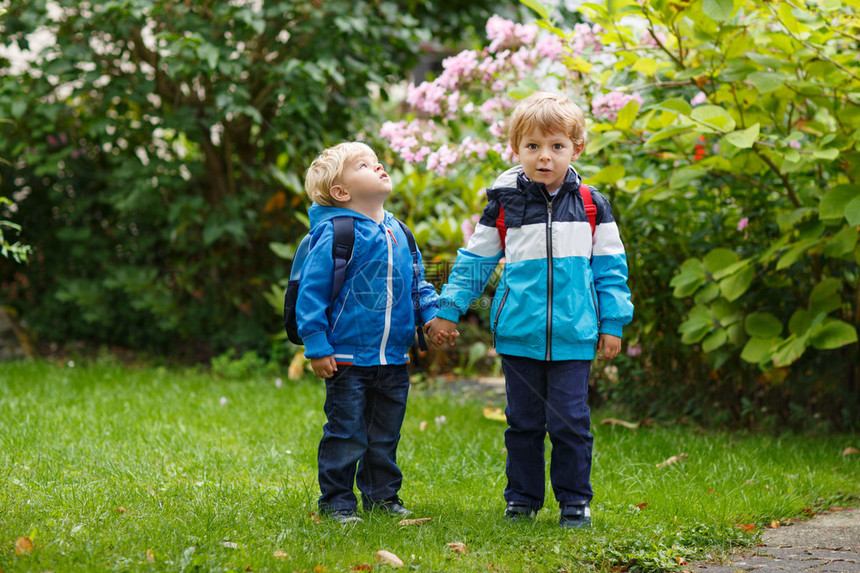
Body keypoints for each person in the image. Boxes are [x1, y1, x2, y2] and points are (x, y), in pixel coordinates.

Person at [425, 91, 634, 529]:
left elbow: (611, 270)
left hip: (574, 335)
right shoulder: (504, 205)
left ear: (576, 148)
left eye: (557, 146)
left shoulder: (594, 206)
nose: (544, 157)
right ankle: (521, 499)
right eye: (533, 146)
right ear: (515, 149)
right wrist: (448, 308)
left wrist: (612, 323)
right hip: (519, 334)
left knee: (571, 424)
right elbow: (474, 263)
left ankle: (575, 502)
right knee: (522, 424)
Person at [297, 141, 439, 524]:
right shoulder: (338, 233)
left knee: (384, 436)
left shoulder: (399, 232)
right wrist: (316, 344)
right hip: (346, 357)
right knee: (346, 434)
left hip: (394, 358)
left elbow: (418, 285)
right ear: (342, 192)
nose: (378, 167)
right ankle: (338, 503)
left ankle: (382, 498)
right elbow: (312, 293)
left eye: (377, 162)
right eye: (364, 165)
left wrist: (432, 314)